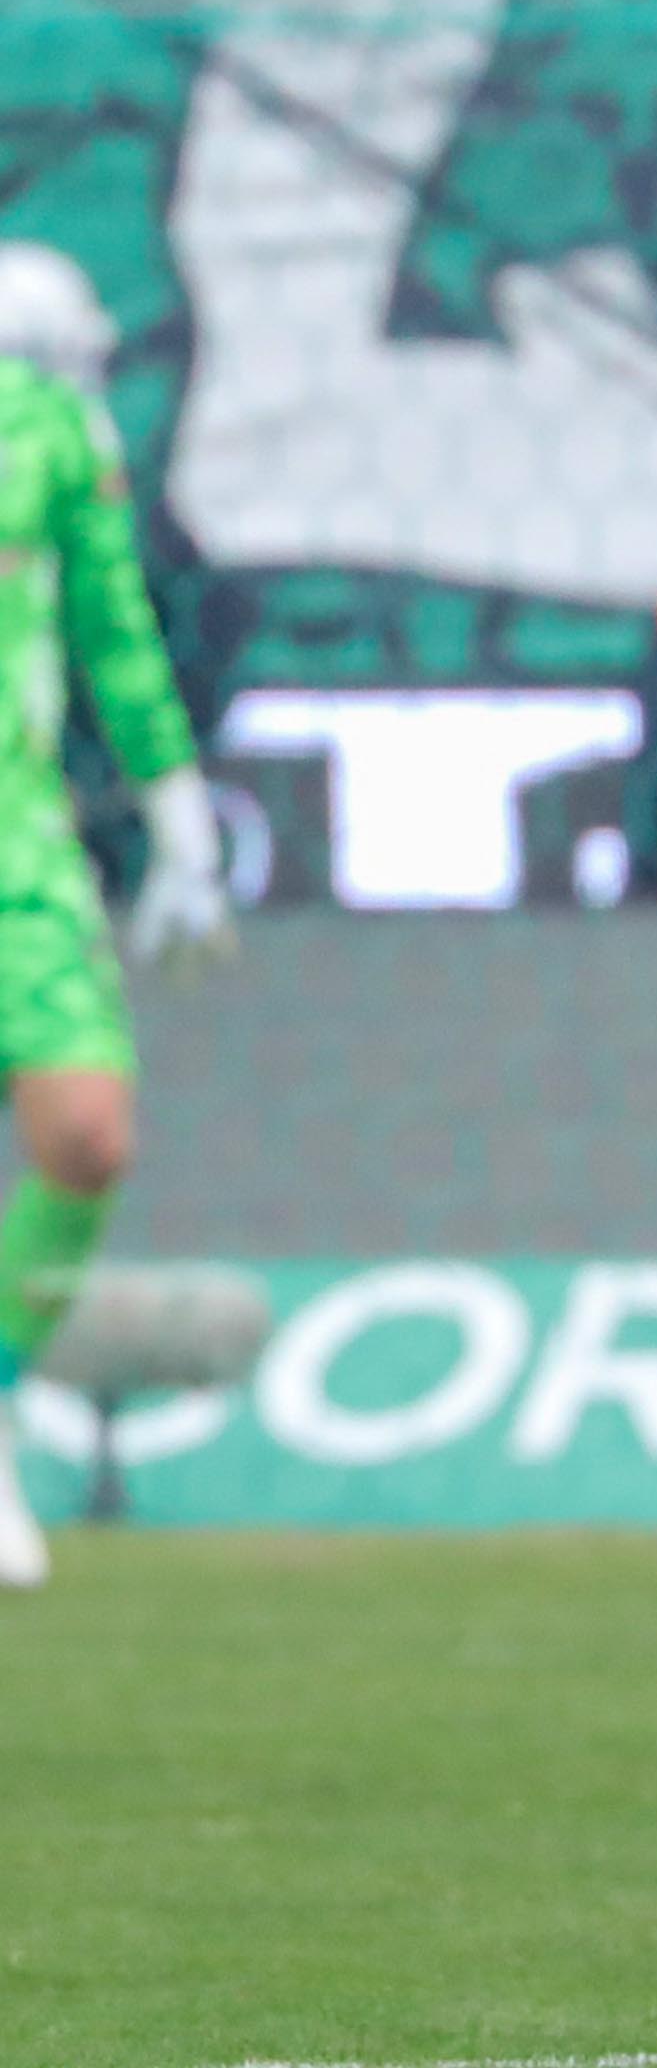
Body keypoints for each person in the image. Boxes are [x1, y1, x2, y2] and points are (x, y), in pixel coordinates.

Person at [0, 244, 233, 1589]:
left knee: (85, 1134)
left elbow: (112, 624)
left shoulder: (55, 439)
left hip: (19, 841)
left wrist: (179, 815)